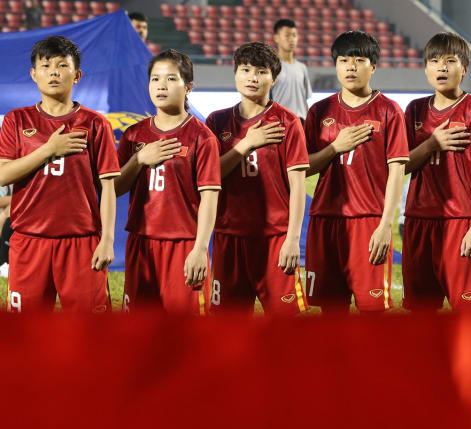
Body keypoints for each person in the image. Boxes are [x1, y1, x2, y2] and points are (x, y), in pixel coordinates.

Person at [0, 36, 119, 312]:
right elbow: (3, 175)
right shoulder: (17, 120)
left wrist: (107, 240)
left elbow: (108, 188)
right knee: (26, 331)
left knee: (89, 331)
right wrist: (48, 149)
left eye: (62, 65)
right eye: (46, 65)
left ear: (77, 75)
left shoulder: (95, 123)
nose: (53, 72)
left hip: (81, 242)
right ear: (34, 74)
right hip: (29, 241)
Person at [304, 31, 408, 313]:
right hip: (325, 219)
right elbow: (304, 168)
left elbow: (397, 172)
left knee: (372, 311)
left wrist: (385, 226)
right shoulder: (319, 111)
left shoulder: (389, 111)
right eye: (344, 60)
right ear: (335, 65)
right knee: (330, 310)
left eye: (359, 60)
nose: (351, 67)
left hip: (369, 222)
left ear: (373, 67)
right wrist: (334, 148)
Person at [205, 42, 309, 315]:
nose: (252, 77)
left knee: (285, 324)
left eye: (261, 71)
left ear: (273, 79)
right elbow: (209, 176)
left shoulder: (288, 122)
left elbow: (298, 186)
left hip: (274, 238)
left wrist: (293, 239)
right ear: (235, 73)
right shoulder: (216, 122)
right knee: (227, 325)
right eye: (246, 69)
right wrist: (247, 144)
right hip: (229, 237)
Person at [115, 49, 220, 314]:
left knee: (186, 332)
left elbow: (209, 198)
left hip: (183, 244)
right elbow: (114, 188)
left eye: (171, 78)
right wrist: (139, 159)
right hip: (141, 242)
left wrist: (200, 249)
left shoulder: (202, 137)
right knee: (138, 328)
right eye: (155, 78)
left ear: (188, 87)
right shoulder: (134, 135)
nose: (161, 85)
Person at [402, 32, 471, 311]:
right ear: (425, 68)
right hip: (418, 220)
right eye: (434, 61)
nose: (442, 67)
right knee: (420, 312)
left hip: (460, 222)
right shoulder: (415, 110)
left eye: (450, 61)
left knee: (469, 311)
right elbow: (401, 166)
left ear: (464, 68)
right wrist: (432, 144)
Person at [271, 19, 312, 122]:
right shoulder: (271, 67)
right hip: (280, 122)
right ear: (276, 38)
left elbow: (306, 97)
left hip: (301, 122)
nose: (291, 39)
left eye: (294, 35)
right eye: (287, 35)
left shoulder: (302, 68)